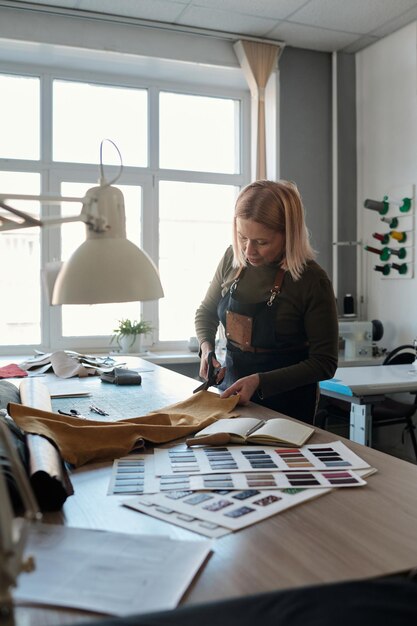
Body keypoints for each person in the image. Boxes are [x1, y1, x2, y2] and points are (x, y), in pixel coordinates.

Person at [195, 179, 338, 424]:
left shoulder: (312, 280)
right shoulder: (232, 258)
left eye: (261, 242)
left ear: (288, 234)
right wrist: (206, 349)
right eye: (242, 237)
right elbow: (206, 312)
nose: (249, 251)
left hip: (286, 408)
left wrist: (260, 381)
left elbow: (324, 363)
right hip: (230, 396)